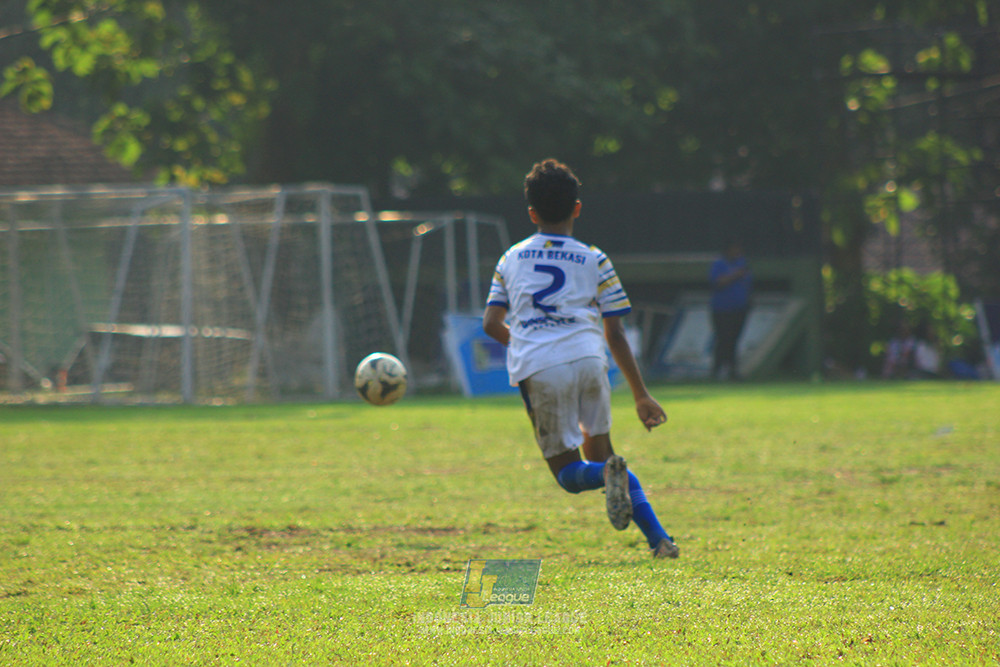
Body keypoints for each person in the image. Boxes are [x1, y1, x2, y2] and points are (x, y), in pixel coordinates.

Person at [482, 159, 679, 559]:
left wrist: (525, 344)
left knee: (570, 475)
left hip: (542, 367)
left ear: (532, 214)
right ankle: (660, 541)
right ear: (577, 208)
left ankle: (612, 480)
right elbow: (616, 333)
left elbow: (491, 323)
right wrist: (640, 395)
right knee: (603, 457)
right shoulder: (594, 258)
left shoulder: (511, 258)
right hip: (590, 360)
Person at [709, 239, 752, 380]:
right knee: (723, 339)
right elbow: (718, 282)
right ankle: (716, 370)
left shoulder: (742, 263)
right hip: (722, 309)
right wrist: (735, 275)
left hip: (739, 308)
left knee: (734, 340)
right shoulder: (719, 264)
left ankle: (733, 371)